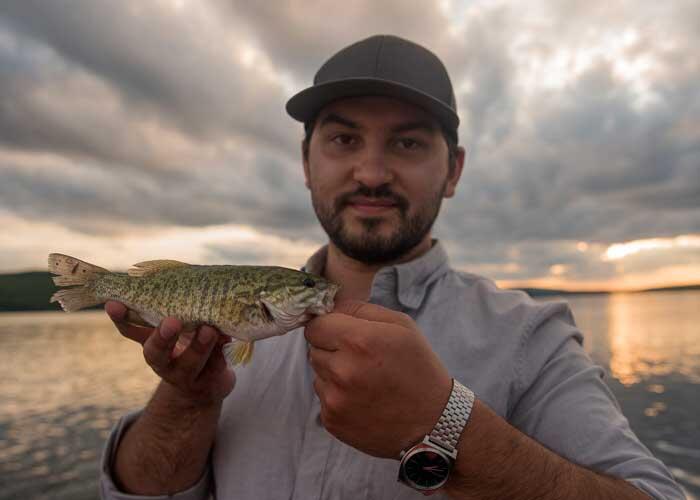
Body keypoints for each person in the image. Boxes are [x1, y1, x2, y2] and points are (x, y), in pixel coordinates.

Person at [99, 35, 684, 500]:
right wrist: (187, 401)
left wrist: (448, 428)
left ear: (453, 170)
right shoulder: (227, 326)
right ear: (306, 161)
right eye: (344, 139)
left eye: (407, 144)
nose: (372, 172)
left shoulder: (534, 339)